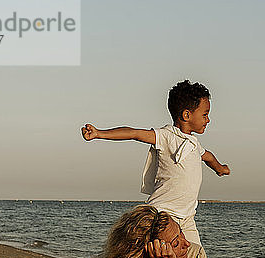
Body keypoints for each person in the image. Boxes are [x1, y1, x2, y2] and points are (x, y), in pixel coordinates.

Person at [81, 80, 230, 246]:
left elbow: (207, 156)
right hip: (163, 215)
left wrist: (220, 168)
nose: (208, 119)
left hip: (187, 218)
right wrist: (99, 133)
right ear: (186, 115)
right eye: (205, 114)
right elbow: (134, 133)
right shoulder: (166, 136)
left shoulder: (194, 144)